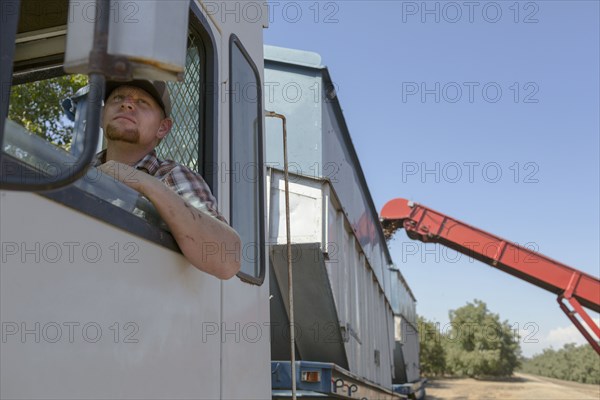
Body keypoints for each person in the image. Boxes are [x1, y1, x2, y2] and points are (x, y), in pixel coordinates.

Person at [94, 80, 241, 279]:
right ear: (102, 116)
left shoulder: (171, 176)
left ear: (163, 128)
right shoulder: (74, 172)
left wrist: (137, 180)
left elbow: (227, 259)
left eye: (143, 102)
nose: (126, 104)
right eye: (118, 98)